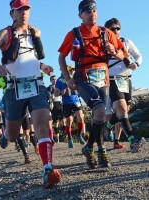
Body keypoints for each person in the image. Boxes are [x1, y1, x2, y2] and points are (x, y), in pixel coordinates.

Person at [0, 0, 61, 189]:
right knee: (12, 135)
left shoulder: (35, 32)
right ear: (12, 14)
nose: (23, 13)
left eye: (26, 9)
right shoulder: (4, 33)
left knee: (42, 123)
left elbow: (31, 59)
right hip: (14, 88)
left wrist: (44, 67)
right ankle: (4, 135)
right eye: (19, 10)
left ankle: (47, 169)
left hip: (36, 84)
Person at [58, 0, 124, 169]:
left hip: (103, 77)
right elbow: (61, 57)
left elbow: (123, 54)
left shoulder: (106, 32)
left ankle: (91, 148)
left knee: (99, 115)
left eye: (94, 10)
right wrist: (67, 78)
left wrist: (114, 51)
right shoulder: (74, 33)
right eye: (87, 11)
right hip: (83, 77)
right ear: (80, 15)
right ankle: (101, 150)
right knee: (100, 110)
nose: (92, 13)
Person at [104, 18, 146, 151]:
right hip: (111, 79)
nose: (115, 31)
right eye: (112, 28)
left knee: (124, 109)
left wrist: (137, 64)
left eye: (117, 28)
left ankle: (109, 124)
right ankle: (133, 139)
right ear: (107, 31)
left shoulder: (126, 42)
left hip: (126, 79)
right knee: (121, 107)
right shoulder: (102, 45)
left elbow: (138, 55)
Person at [54, 65, 86, 148]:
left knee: (81, 117)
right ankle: (69, 139)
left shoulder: (73, 78)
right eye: (69, 70)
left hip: (75, 100)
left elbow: (80, 87)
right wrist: (61, 92)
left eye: (71, 70)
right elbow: (55, 93)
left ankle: (79, 135)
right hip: (66, 102)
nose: (71, 71)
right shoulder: (59, 80)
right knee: (68, 120)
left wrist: (76, 88)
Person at [47, 75, 65, 143]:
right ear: (50, 80)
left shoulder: (60, 86)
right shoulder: (49, 88)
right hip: (53, 105)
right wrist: (51, 101)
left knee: (63, 121)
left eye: (55, 79)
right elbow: (48, 97)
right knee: (55, 122)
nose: (54, 80)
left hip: (60, 104)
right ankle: (57, 137)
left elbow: (63, 94)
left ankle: (65, 135)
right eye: (53, 79)